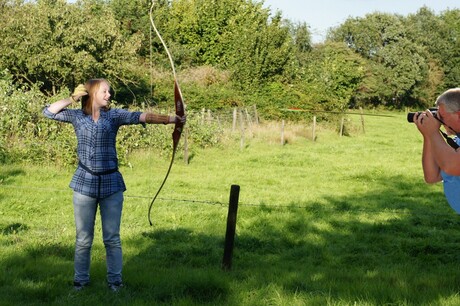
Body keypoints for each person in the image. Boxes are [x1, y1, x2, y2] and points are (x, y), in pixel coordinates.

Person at [42, 78, 185, 291]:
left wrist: (174, 119)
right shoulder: (77, 116)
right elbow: (48, 112)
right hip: (84, 184)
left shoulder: (114, 115)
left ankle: (115, 283)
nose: (109, 95)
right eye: (105, 91)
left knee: (112, 239)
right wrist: (71, 99)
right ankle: (80, 282)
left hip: (111, 184)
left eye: (109, 92)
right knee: (83, 239)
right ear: (91, 94)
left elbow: (140, 116)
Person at [414, 88, 460, 212]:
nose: (439, 121)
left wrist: (433, 132)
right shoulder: (457, 141)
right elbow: (432, 176)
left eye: (442, 117)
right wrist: (428, 135)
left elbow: (452, 166)